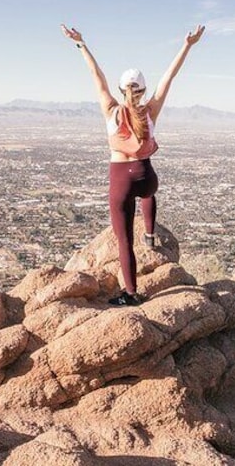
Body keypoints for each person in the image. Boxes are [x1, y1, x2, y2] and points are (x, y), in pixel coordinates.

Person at [60, 23, 205, 306]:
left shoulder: (110, 109)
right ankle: (150, 233)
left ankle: (130, 294)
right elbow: (169, 77)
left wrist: (81, 43)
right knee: (148, 192)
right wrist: (188, 45)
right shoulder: (151, 110)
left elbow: (95, 74)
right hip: (146, 176)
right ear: (142, 90)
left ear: (120, 89)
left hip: (122, 180)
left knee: (124, 240)